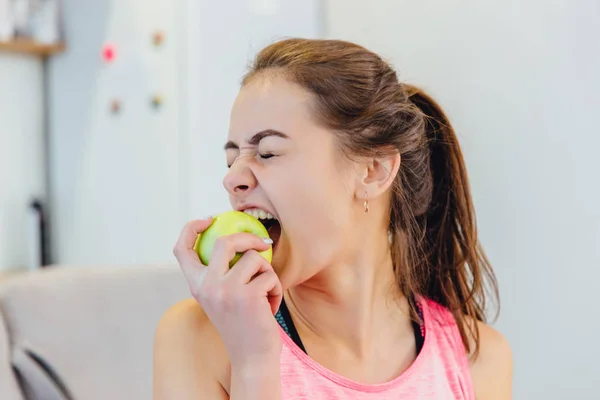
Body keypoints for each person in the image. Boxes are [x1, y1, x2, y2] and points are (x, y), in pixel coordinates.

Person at [153, 38, 512, 399]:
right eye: (232, 160)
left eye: (267, 152)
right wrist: (254, 364)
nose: (233, 179)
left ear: (373, 170)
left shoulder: (478, 362)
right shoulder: (199, 339)